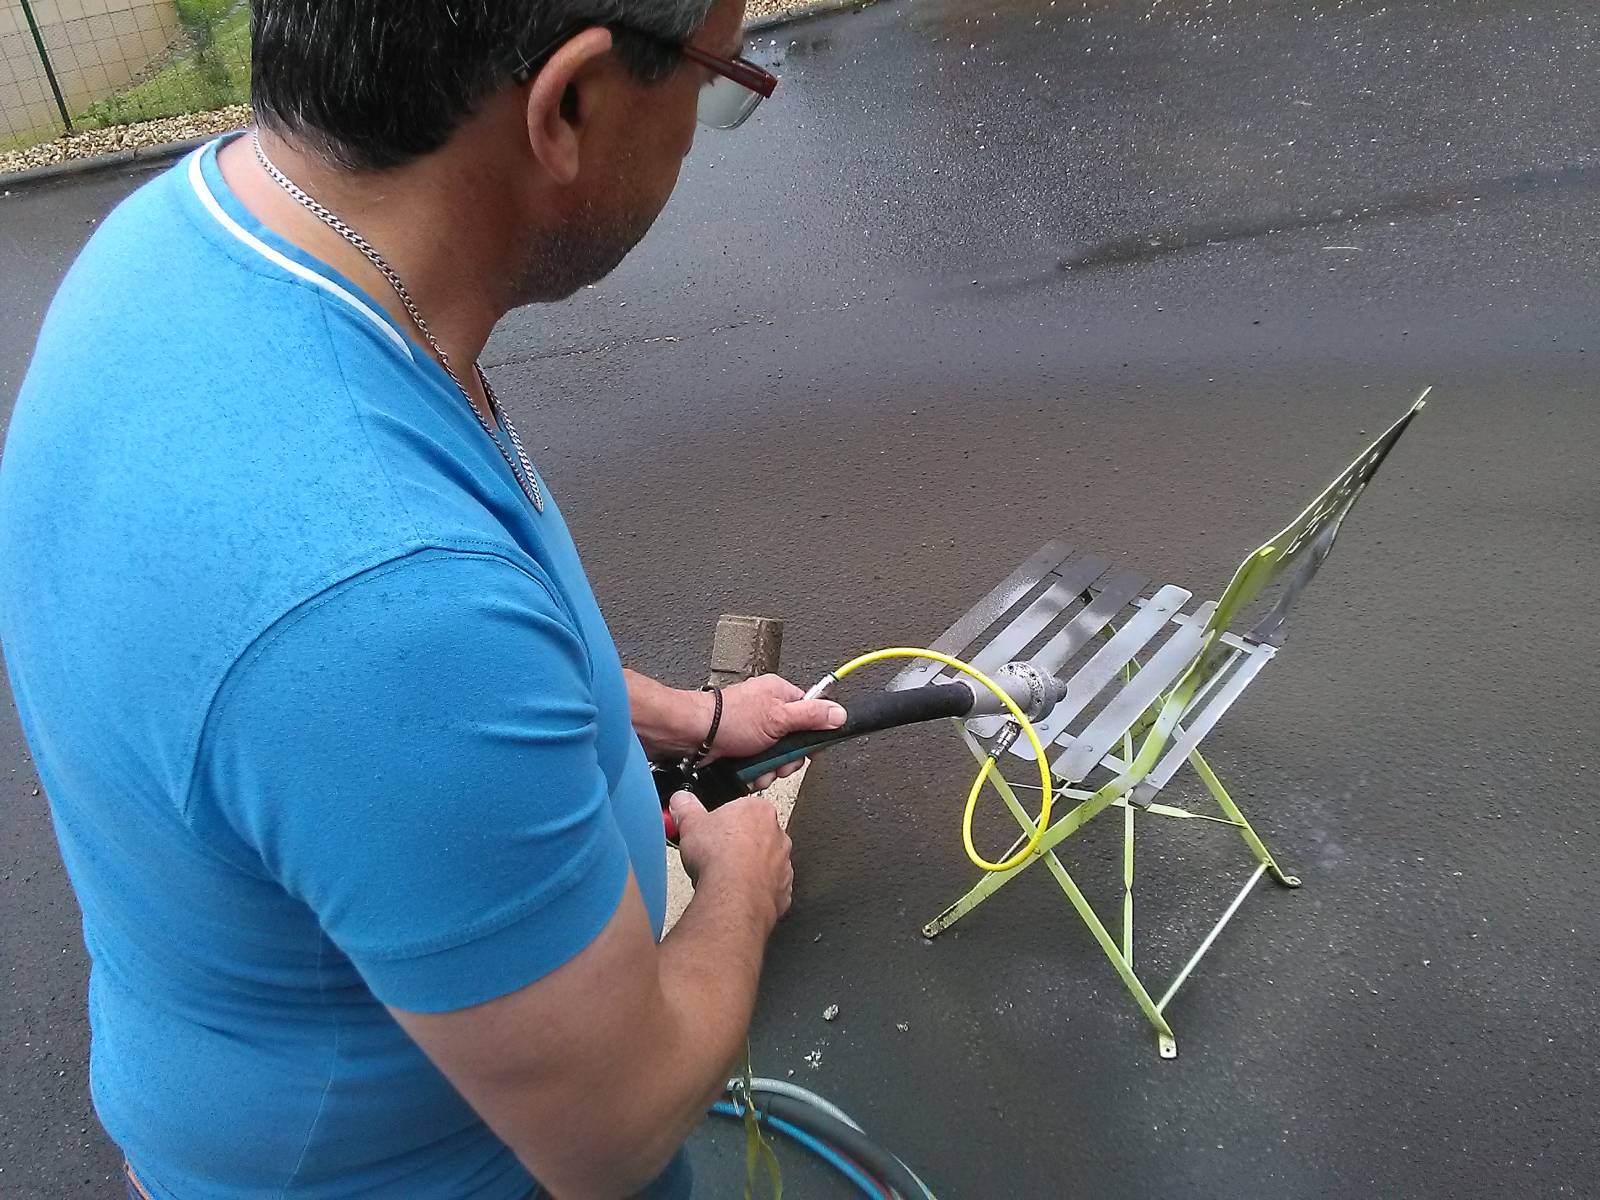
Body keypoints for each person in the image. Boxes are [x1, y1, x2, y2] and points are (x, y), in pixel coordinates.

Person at [0, 1, 842, 1196]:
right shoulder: (388, 600)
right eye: (717, 78)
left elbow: (400, 710)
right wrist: (741, 886)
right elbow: (614, 1128)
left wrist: (687, 719)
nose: (704, 125)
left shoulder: (184, 238)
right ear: (570, 103)